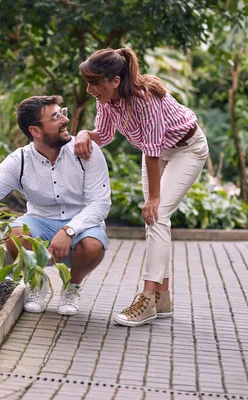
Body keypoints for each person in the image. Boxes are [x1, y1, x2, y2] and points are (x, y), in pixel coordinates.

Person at [0, 95, 111, 316]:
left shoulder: (86, 152)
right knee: (15, 233)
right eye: (55, 117)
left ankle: (71, 286)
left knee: (93, 245)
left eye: (61, 112)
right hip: (40, 220)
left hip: (81, 221)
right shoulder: (21, 160)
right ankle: (36, 280)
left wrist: (70, 229)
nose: (64, 119)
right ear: (35, 131)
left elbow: (100, 203)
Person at [75, 48, 209, 327]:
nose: (89, 90)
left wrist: (156, 198)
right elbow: (106, 135)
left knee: (157, 215)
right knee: (155, 221)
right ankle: (163, 297)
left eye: (94, 83)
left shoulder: (144, 100)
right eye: (87, 82)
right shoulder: (108, 100)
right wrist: (84, 133)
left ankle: (147, 300)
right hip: (158, 152)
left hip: (188, 150)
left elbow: (152, 152)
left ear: (114, 80)